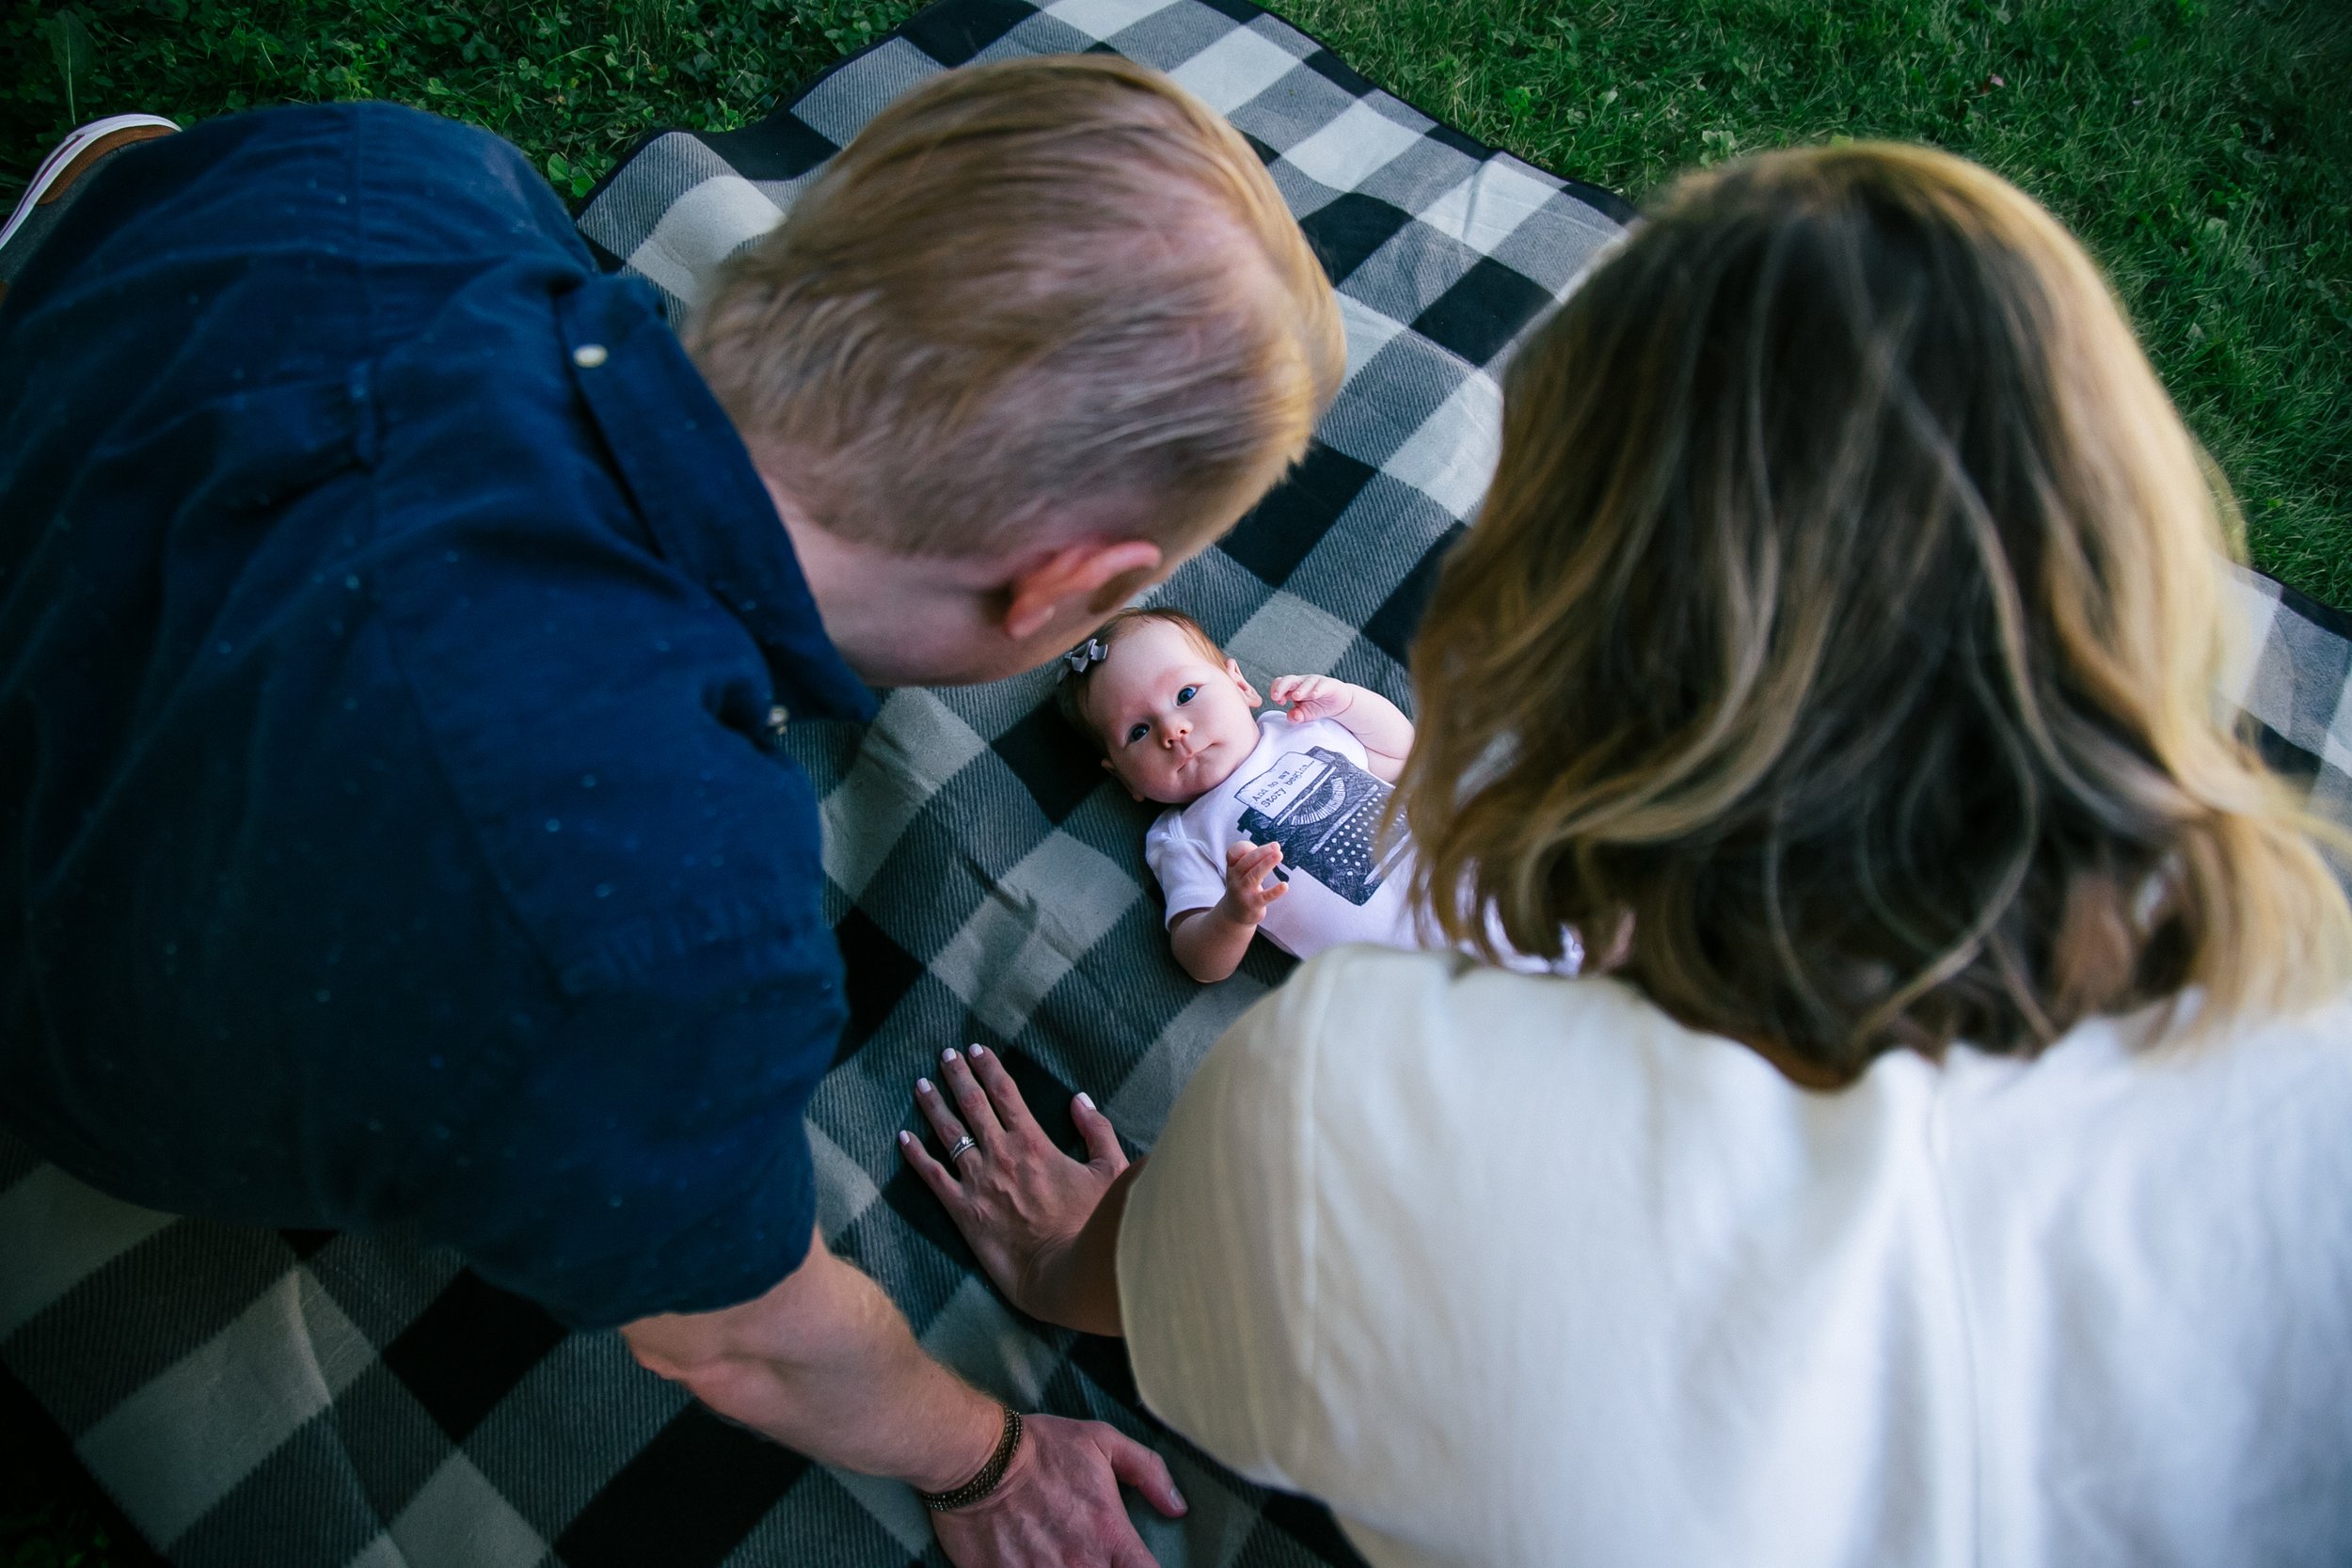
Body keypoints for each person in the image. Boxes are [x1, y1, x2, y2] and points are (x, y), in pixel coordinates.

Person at [902, 142, 2352, 1566]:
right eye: (1139, 730)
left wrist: (1084, 1254)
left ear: (1538, 619)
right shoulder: (2312, 1029)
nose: (1174, 732)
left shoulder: (1340, 1107)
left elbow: (1150, 1290)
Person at [0, 56, 1342, 1568]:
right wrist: (984, 1453)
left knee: (147, 196)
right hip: (86, 1035)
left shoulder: (400, 167)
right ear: (1065, 589)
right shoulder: (677, 926)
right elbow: (742, 1338)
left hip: (104, 490)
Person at [1057, 608, 1418, 982]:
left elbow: (1400, 753)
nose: (1173, 729)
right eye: (1138, 732)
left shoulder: (1300, 730)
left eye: (1186, 694)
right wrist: (1232, 914)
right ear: (1124, 778)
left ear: (1241, 685)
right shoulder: (1181, 836)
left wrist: (1348, 703)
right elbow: (1201, 963)